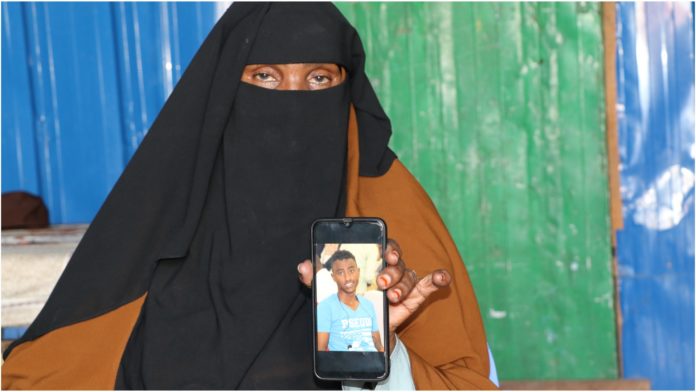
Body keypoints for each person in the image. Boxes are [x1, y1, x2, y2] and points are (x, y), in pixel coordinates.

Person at [2, 3, 497, 390]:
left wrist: (385, 362)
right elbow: (46, 373)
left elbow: (468, 380)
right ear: (223, 95)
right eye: (265, 77)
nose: (293, 101)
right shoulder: (160, 226)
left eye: (320, 78)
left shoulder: (390, 218)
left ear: (346, 93)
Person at [316, 250, 383, 352]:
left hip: (372, 365)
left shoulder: (368, 305)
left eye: (351, 271)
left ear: (358, 272)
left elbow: (378, 345)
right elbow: (321, 350)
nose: (347, 278)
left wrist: (384, 363)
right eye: (340, 273)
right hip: (343, 366)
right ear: (333, 277)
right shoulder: (325, 307)